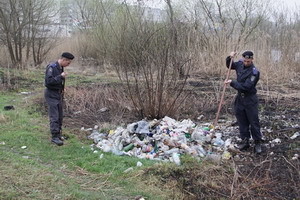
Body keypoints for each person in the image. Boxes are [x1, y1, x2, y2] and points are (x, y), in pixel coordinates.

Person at [224, 51, 263, 154]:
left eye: (248, 61)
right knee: (242, 120)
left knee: (253, 121)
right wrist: (230, 57)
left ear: (252, 60)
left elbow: (246, 87)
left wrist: (232, 83)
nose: (246, 63)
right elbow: (230, 65)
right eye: (245, 61)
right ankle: (245, 141)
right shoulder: (240, 64)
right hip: (240, 99)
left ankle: (257, 142)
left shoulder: (254, 72)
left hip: (250, 99)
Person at [44, 52, 74, 146]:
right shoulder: (52, 67)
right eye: (68, 63)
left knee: (60, 115)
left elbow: (57, 81)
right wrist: (60, 77)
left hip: (58, 94)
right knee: (55, 116)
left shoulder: (61, 67)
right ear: (63, 59)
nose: (68, 65)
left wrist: (61, 88)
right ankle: (54, 137)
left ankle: (59, 134)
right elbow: (48, 82)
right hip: (51, 94)